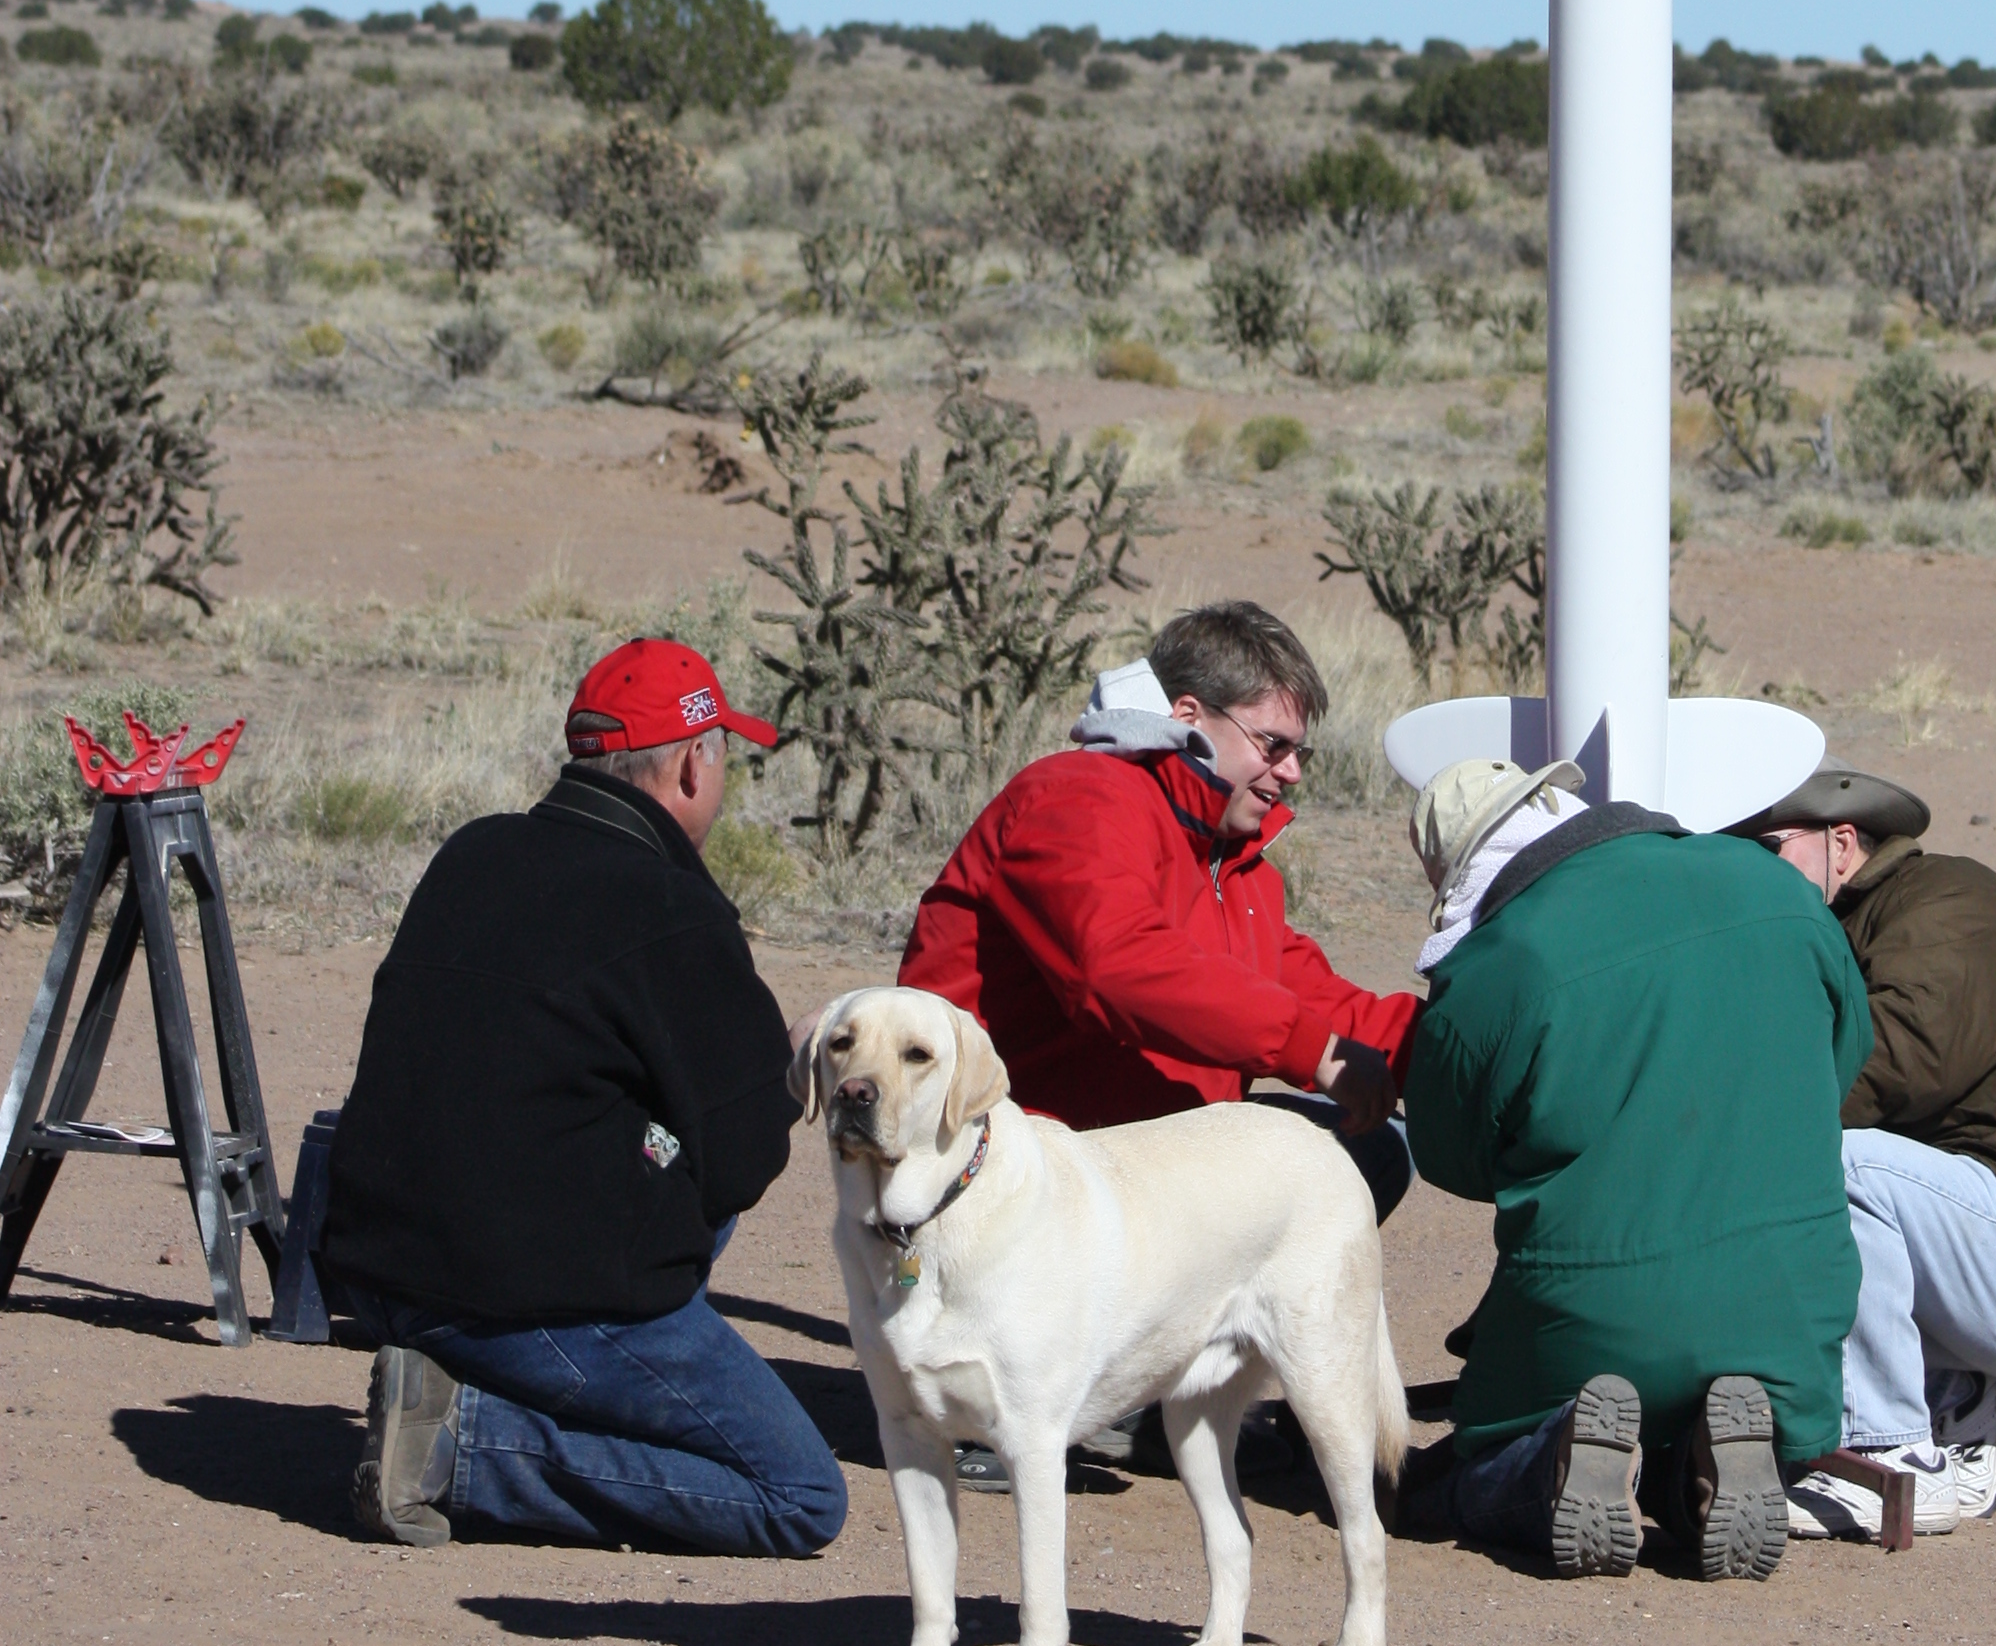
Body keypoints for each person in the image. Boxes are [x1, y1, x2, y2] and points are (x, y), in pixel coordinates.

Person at [324, 637, 846, 1559]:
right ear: (693, 765)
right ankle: (461, 1449)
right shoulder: (671, 907)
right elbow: (743, 1160)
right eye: (724, 757)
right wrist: (784, 1068)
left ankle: (470, 1387)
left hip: (379, 1271)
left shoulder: (474, 850)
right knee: (798, 1496)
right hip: (513, 1297)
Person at [1399, 758, 1873, 1581]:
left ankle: (1553, 1461)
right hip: (1792, 1300)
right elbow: (1843, 1055)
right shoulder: (1774, 885)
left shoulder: (1497, 961)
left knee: (1471, 1465)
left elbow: (1451, 1158)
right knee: (1715, 1392)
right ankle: (1701, 1469)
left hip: (1587, 1309)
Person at [1736, 765, 1996, 1544]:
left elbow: (1884, 1065)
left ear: (1842, 843)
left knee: (1838, 1164)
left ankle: (1892, 1456)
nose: (1748, 869)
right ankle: (1970, 1394)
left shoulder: (1952, 904)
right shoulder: (1837, 927)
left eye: (1767, 848)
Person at [897, 601, 1417, 1216]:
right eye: (1273, 745)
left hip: (1124, 1148)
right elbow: (1118, 964)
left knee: (1372, 1148)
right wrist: (1315, 1052)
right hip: (1008, 1158)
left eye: (1300, 752)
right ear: (1188, 715)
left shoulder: (1230, 864)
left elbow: (1310, 996)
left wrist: (1461, 1045)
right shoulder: (1080, 798)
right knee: (1329, 1166)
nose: (1292, 772)